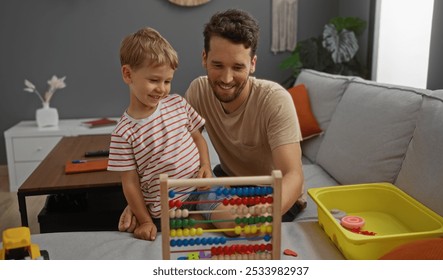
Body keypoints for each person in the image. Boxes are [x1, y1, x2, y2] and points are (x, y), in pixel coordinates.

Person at [118, 9, 305, 233]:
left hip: (273, 194)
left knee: (236, 229)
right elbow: (171, 144)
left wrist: (267, 211)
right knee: (190, 219)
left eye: (237, 67)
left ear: (252, 63)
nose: (226, 79)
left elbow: (293, 174)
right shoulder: (198, 91)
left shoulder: (275, 99)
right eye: (217, 65)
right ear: (204, 58)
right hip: (225, 182)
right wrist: (141, 203)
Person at [107, 27, 213, 241]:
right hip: (167, 207)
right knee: (200, 227)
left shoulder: (177, 103)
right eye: (154, 80)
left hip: (199, 188)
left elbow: (198, 138)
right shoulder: (123, 133)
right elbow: (130, 183)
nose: (162, 89)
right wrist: (145, 220)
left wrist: (206, 166)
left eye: (167, 81)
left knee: (230, 220)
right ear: (128, 74)